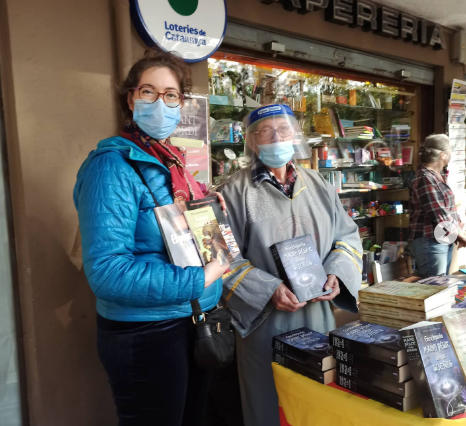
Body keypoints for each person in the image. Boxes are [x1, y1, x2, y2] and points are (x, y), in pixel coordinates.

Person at [73, 49, 229, 426]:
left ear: (181, 103)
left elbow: (173, 234)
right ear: (131, 99)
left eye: (171, 95)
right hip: (148, 333)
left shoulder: (172, 163)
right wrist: (199, 279)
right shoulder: (111, 167)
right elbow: (108, 273)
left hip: (193, 319)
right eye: (148, 92)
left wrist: (207, 209)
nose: (160, 103)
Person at [218, 104, 363, 426]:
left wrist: (337, 273)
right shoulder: (233, 193)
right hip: (264, 323)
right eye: (265, 131)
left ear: (295, 135)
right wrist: (268, 289)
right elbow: (220, 257)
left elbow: (347, 236)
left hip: (319, 316)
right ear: (251, 141)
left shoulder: (319, 185)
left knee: (317, 402)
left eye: (283, 130)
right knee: (269, 403)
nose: (276, 138)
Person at [409, 134, 466, 276]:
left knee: (441, 284)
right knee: (434, 286)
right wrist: (461, 235)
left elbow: (447, 210)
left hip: (443, 239)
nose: (451, 154)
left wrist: (458, 231)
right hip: (429, 241)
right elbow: (439, 213)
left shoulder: (437, 176)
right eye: (450, 151)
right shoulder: (425, 178)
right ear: (442, 155)